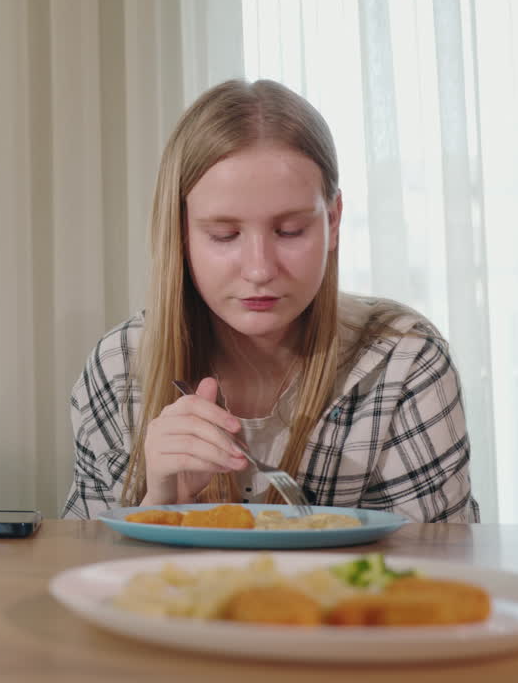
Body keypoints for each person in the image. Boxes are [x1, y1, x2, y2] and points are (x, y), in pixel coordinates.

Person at [62, 79, 477, 523]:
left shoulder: (403, 363)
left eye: (290, 231)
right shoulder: (120, 368)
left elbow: (441, 569)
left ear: (333, 221)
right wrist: (157, 506)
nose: (259, 269)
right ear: (179, 232)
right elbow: (84, 580)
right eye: (224, 235)